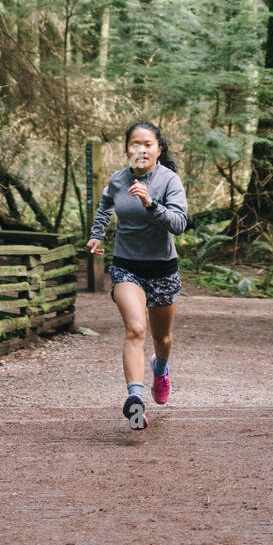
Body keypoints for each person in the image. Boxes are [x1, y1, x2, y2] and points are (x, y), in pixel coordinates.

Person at [86, 122, 188, 429]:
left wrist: (150, 203)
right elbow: (105, 204)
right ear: (126, 149)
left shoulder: (169, 181)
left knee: (163, 338)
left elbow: (180, 223)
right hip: (126, 266)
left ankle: (161, 367)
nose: (140, 150)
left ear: (158, 149)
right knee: (135, 329)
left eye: (147, 144)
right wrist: (97, 234)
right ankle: (135, 402)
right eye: (134, 144)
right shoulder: (118, 180)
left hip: (162, 269)